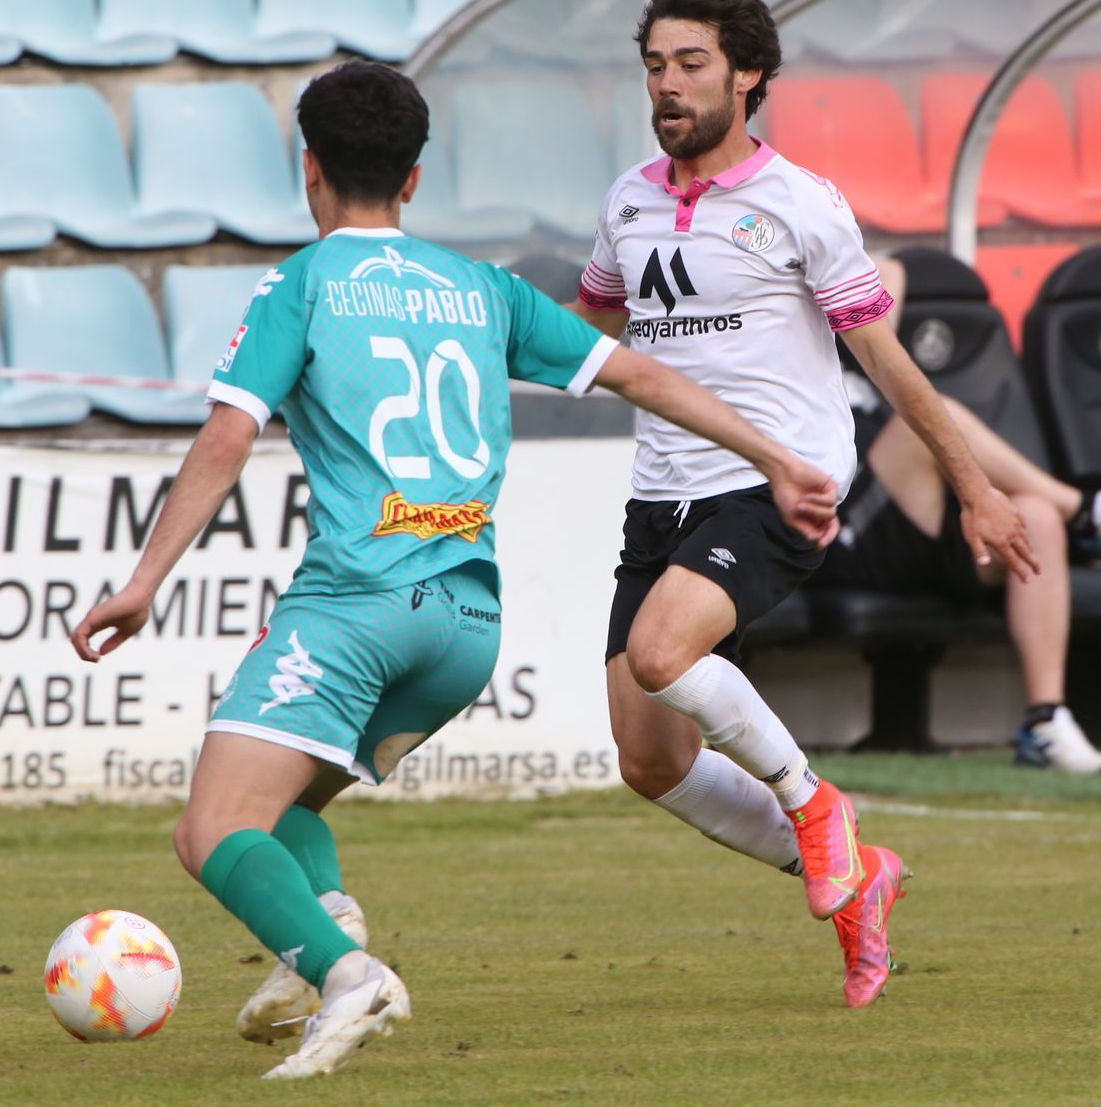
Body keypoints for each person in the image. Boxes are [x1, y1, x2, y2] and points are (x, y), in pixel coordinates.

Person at [71, 62, 842, 1081]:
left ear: (310, 171)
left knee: (211, 827)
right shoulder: (480, 288)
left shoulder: (299, 286)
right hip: (462, 631)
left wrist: (143, 580)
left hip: (356, 605)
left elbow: (225, 436)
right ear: (415, 179)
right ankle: (317, 928)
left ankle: (347, 973)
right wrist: (779, 458)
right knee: (286, 800)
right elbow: (645, 375)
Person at [570, 0, 1041, 1010]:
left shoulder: (799, 205)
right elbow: (590, 327)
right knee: (646, 761)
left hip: (778, 486)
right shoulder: (627, 201)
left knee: (660, 652)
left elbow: (885, 361)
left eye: (690, 63)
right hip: (663, 497)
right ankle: (853, 873)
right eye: (654, 65)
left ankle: (812, 799)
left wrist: (975, 487)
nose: (668, 85)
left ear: (746, 76)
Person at [806, 255, 1101, 772]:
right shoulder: (780, 354)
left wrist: (818, 259)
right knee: (928, 418)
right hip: (847, 526)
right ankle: (1089, 512)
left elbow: (891, 268)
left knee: (1035, 516)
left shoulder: (858, 339)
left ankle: (1046, 722)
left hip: (921, 517)